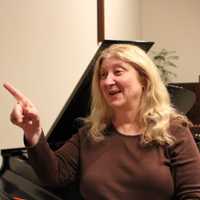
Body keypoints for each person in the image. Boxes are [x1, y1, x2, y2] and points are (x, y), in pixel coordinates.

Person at [3, 44, 200, 200]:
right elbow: (53, 175)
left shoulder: (174, 131)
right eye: (103, 75)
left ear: (144, 80)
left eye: (118, 72)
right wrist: (33, 131)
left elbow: (193, 194)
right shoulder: (91, 133)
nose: (107, 81)